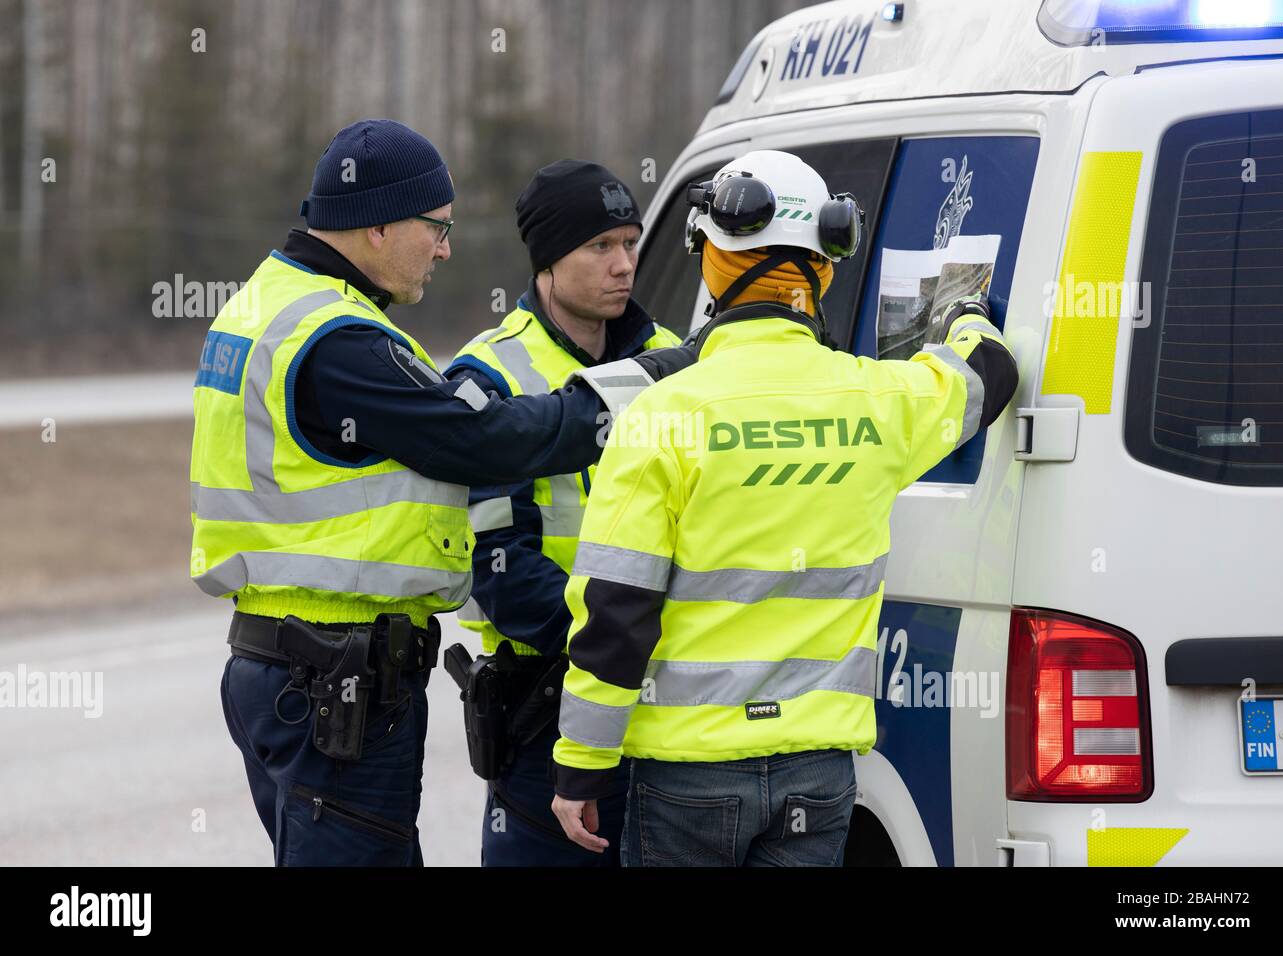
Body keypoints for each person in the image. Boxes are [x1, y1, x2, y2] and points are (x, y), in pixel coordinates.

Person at [190, 119, 691, 866]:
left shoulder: (268, 305)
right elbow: (480, 440)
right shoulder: (338, 337)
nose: (446, 249)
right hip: (337, 676)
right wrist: (636, 394)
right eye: (437, 229)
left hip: (289, 664)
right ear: (379, 224)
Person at [549, 150, 1019, 866]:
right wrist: (964, 316)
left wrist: (582, 761)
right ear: (825, 269)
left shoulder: (662, 414)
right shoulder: (882, 401)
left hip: (689, 776)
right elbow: (989, 375)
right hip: (817, 773)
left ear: (710, 264)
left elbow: (616, 605)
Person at [444, 160, 680, 866]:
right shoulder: (487, 376)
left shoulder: (676, 361)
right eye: (600, 247)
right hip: (549, 702)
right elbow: (500, 569)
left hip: (675, 704)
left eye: (632, 243)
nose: (624, 265)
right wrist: (613, 645)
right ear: (548, 260)